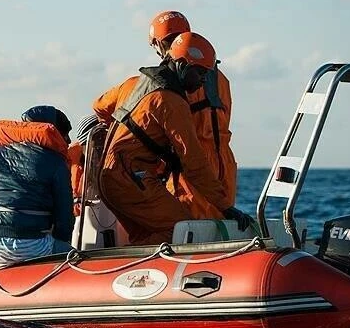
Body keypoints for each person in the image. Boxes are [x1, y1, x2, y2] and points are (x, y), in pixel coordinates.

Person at [93, 32, 251, 245]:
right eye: (200, 74)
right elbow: (193, 162)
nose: (203, 80)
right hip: (130, 179)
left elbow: (100, 106)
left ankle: (132, 275)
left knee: (146, 235)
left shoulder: (140, 84)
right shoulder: (172, 102)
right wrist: (225, 207)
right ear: (182, 65)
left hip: (111, 176)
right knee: (181, 231)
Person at [0, 106, 75, 268]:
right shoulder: (55, 161)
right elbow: (65, 218)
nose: (68, 141)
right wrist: (60, 240)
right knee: (76, 256)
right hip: (33, 247)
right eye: (65, 134)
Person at [148, 11, 237, 219]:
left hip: (192, 172)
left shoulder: (173, 81)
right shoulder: (221, 79)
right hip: (226, 167)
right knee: (221, 232)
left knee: (190, 236)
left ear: (158, 44)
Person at [66, 114, 101, 216]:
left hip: (104, 216)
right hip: (77, 219)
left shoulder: (115, 161)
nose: (100, 146)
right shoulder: (67, 162)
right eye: (97, 139)